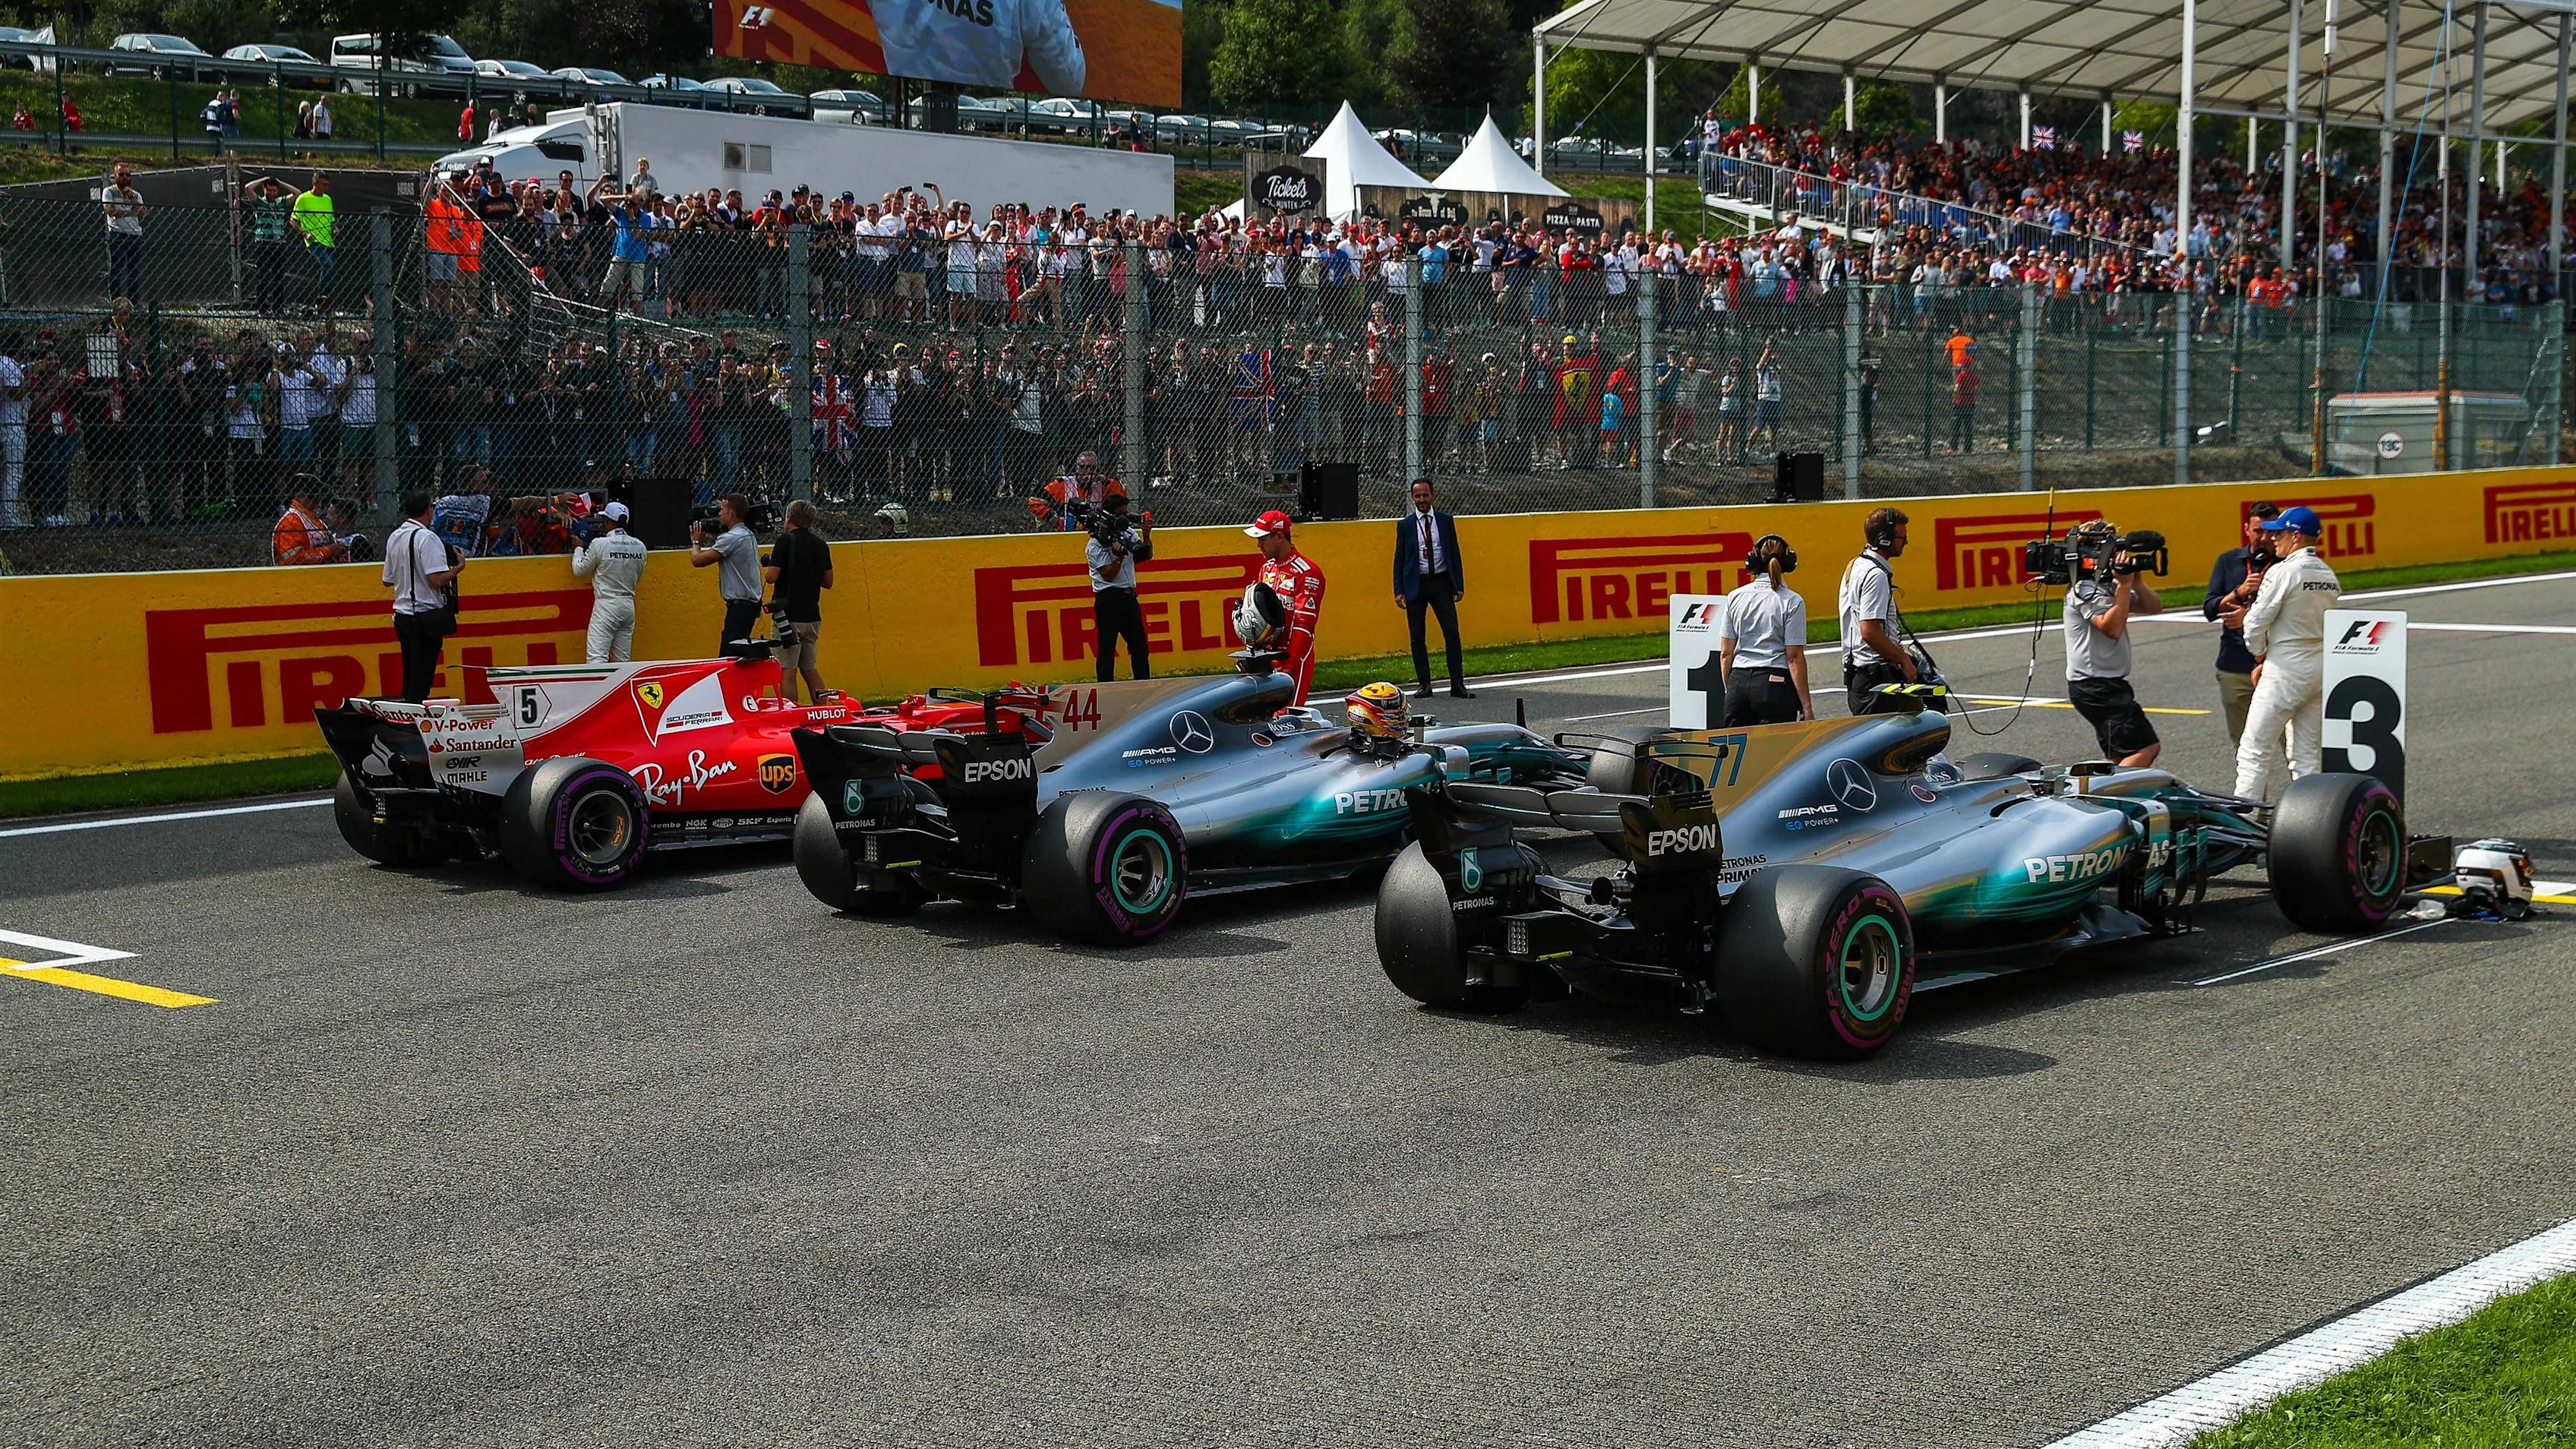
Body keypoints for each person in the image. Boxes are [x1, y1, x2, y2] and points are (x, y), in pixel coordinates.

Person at [2233, 505, 2343, 802]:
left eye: (2279, 533)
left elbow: (2255, 622)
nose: (2273, 539)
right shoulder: (2328, 574)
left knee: (2254, 749)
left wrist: (2259, 655)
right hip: (2320, 668)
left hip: (2285, 668)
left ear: (2295, 536)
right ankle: (2312, 822)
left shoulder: (2283, 572)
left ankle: (2244, 822)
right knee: (2305, 758)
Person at [2060, 520, 2167, 767]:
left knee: (2120, 756)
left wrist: (2136, 583)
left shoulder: (2108, 586)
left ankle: (2104, 795)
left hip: (2105, 685)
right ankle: (2103, 796)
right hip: (2096, 687)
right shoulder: (2084, 589)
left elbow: (2154, 607)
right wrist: (2125, 586)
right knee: (2147, 748)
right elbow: (2112, 628)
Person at [1839, 506, 1930, 714]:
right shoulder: (1875, 575)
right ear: (1884, 539)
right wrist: (1903, 660)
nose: (1906, 542)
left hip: (1862, 676)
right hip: (1876, 678)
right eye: (1902, 537)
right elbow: (1870, 631)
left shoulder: (1856, 565)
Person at [2204, 500, 2281, 746]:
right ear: (2247, 529)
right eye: (2259, 531)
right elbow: (2210, 609)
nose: (2265, 538)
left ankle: (2304, 785)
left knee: (2292, 742)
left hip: (2279, 664)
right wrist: (2238, 592)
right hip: (2236, 665)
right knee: (2245, 744)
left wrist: (2248, 618)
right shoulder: (2228, 561)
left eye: (2272, 531)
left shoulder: (2288, 565)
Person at [1720, 534, 1812, 724]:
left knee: (1740, 753)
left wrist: (1731, 690)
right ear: (1787, 562)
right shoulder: (1792, 601)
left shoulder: (1734, 597)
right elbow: (1794, 658)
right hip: (1774, 686)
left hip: (1738, 683)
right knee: (1777, 753)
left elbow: (1726, 654)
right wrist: (1807, 707)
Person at [1393, 477, 1470, 699]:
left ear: (1432, 496)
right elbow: (1399, 559)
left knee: (1452, 633)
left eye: (1425, 495)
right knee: (1417, 637)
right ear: (1412, 498)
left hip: (1441, 582)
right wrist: (1398, 589)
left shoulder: (1445, 521)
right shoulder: (1406, 525)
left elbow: (1454, 554)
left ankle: (1458, 684)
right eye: (1417, 496)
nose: (1422, 500)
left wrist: (1459, 585)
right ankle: (1424, 685)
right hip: (1415, 584)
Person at [384, 490, 461, 702]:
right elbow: (435, 580)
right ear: (428, 510)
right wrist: (458, 568)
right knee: (422, 679)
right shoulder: (427, 538)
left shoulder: (395, 536)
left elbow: (387, 579)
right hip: (424, 617)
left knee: (410, 675)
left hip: (402, 615)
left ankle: (405, 719)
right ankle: (412, 723)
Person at [1245, 507, 1325, 704]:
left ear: (1279, 537)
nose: (1258, 545)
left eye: (1263, 538)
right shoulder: (1267, 568)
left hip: (1293, 657)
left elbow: (1303, 625)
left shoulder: (1307, 573)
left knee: (1287, 718)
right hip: (1267, 655)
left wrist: (1290, 664)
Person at [764, 498, 834, 699]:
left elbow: (771, 577)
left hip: (788, 618)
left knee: (786, 671)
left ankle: (791, 716)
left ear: (789, 519)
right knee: (810, 669)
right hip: (811, 617)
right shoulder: (821, 545)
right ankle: (823, 711)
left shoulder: (785, 541)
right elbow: (828, 582)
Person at [1085, 491, 1153, 682]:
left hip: (1128, 596)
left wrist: (1146, 536)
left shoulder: (1128, 532)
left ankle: (1144, 684)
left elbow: (1145, 555)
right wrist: (1119, 556)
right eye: (1120, 514)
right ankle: (1105, 687)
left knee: (1139, 646)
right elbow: (1107, 575)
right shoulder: (1095, 543)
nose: (1125, 517)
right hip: (1108, 598)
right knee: (1107, 646)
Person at [571, 500, 647, 663]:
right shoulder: (640, 546)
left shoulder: (600, 544)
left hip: (606, 605)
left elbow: (579, 571)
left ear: (607, 521)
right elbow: (638, 577)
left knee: (596, 660)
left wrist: (578, 548)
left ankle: (599, 690)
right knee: (623, 662)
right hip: (628, 606)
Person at [688, 494, 763, 652]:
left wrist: (696, 542)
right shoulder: (746, 534)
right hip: (747, 606)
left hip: (740, 608)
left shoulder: (732, 538)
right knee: (738, 656)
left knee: (728, 657)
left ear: (731, 513)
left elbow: (698, 560)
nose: (719, 514)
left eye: (722, 510)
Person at [271, 475, 344, 564]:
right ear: (303, 495)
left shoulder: (311, 517)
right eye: (317, 495)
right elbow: (293, 559)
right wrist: (328, 551)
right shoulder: (291, 521)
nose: (319, 499)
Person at [102, 165, 146, 303]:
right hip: (117, 233)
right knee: (116, 270)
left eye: (127, 175)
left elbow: (144, 212)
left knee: (134, 272)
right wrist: (132, 213)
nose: (125, 177)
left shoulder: (136, 195)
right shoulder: (109, 192)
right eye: (121, 175)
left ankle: (134, 304)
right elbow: (110, 211)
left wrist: (132, 198)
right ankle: (115, 302)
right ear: (115, 176)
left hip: (134, 235)